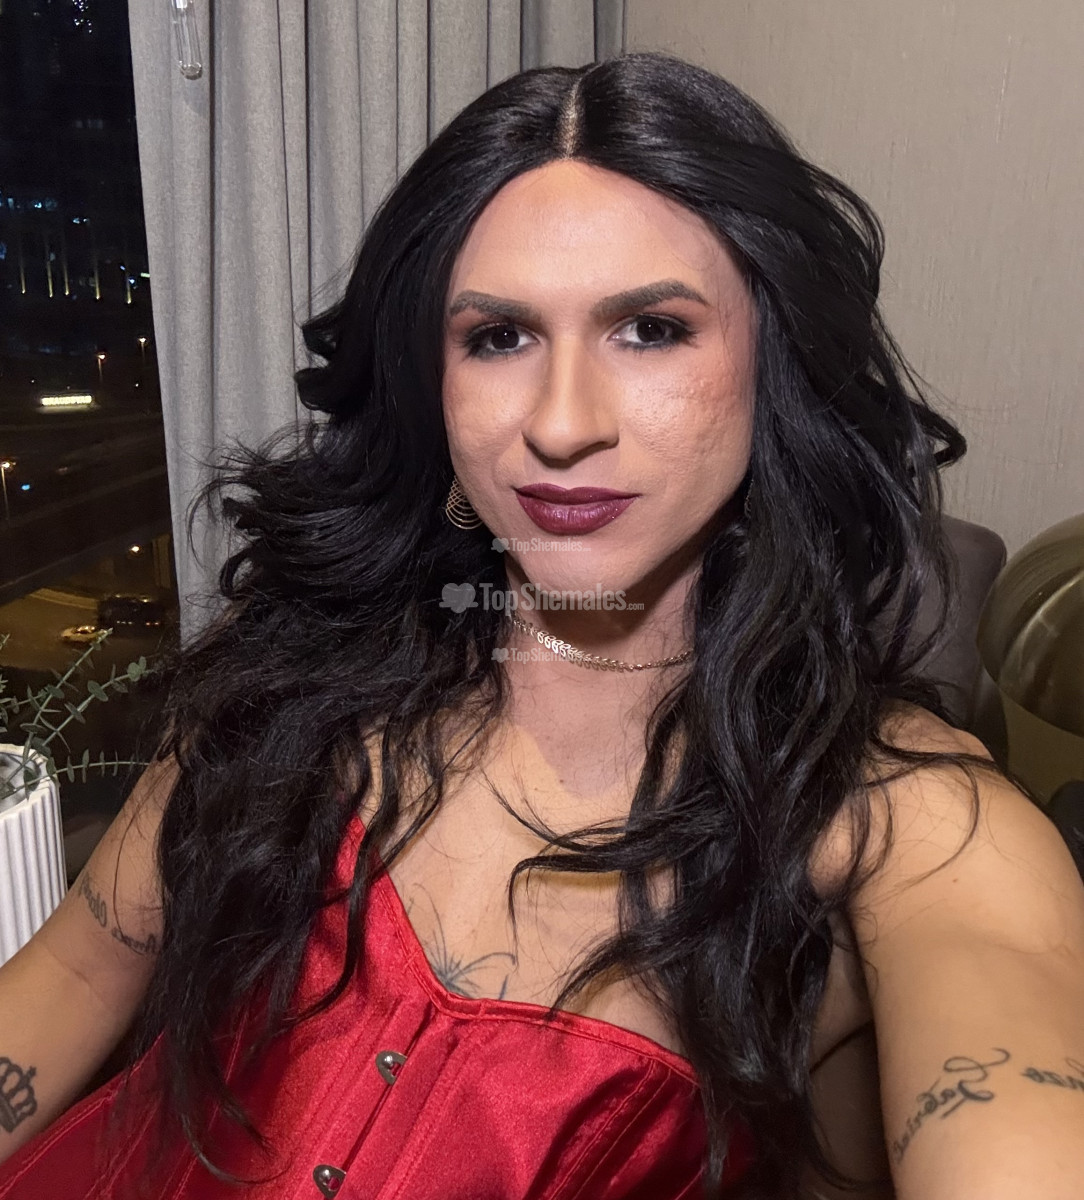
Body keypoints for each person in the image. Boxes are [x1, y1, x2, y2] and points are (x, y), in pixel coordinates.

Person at [0, 50, 1082, 1200]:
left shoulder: (913, 831)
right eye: (499, 337)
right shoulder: (284, 677)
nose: (562, 424)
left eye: (650, 328)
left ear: (775, 361)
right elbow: (76, 975)